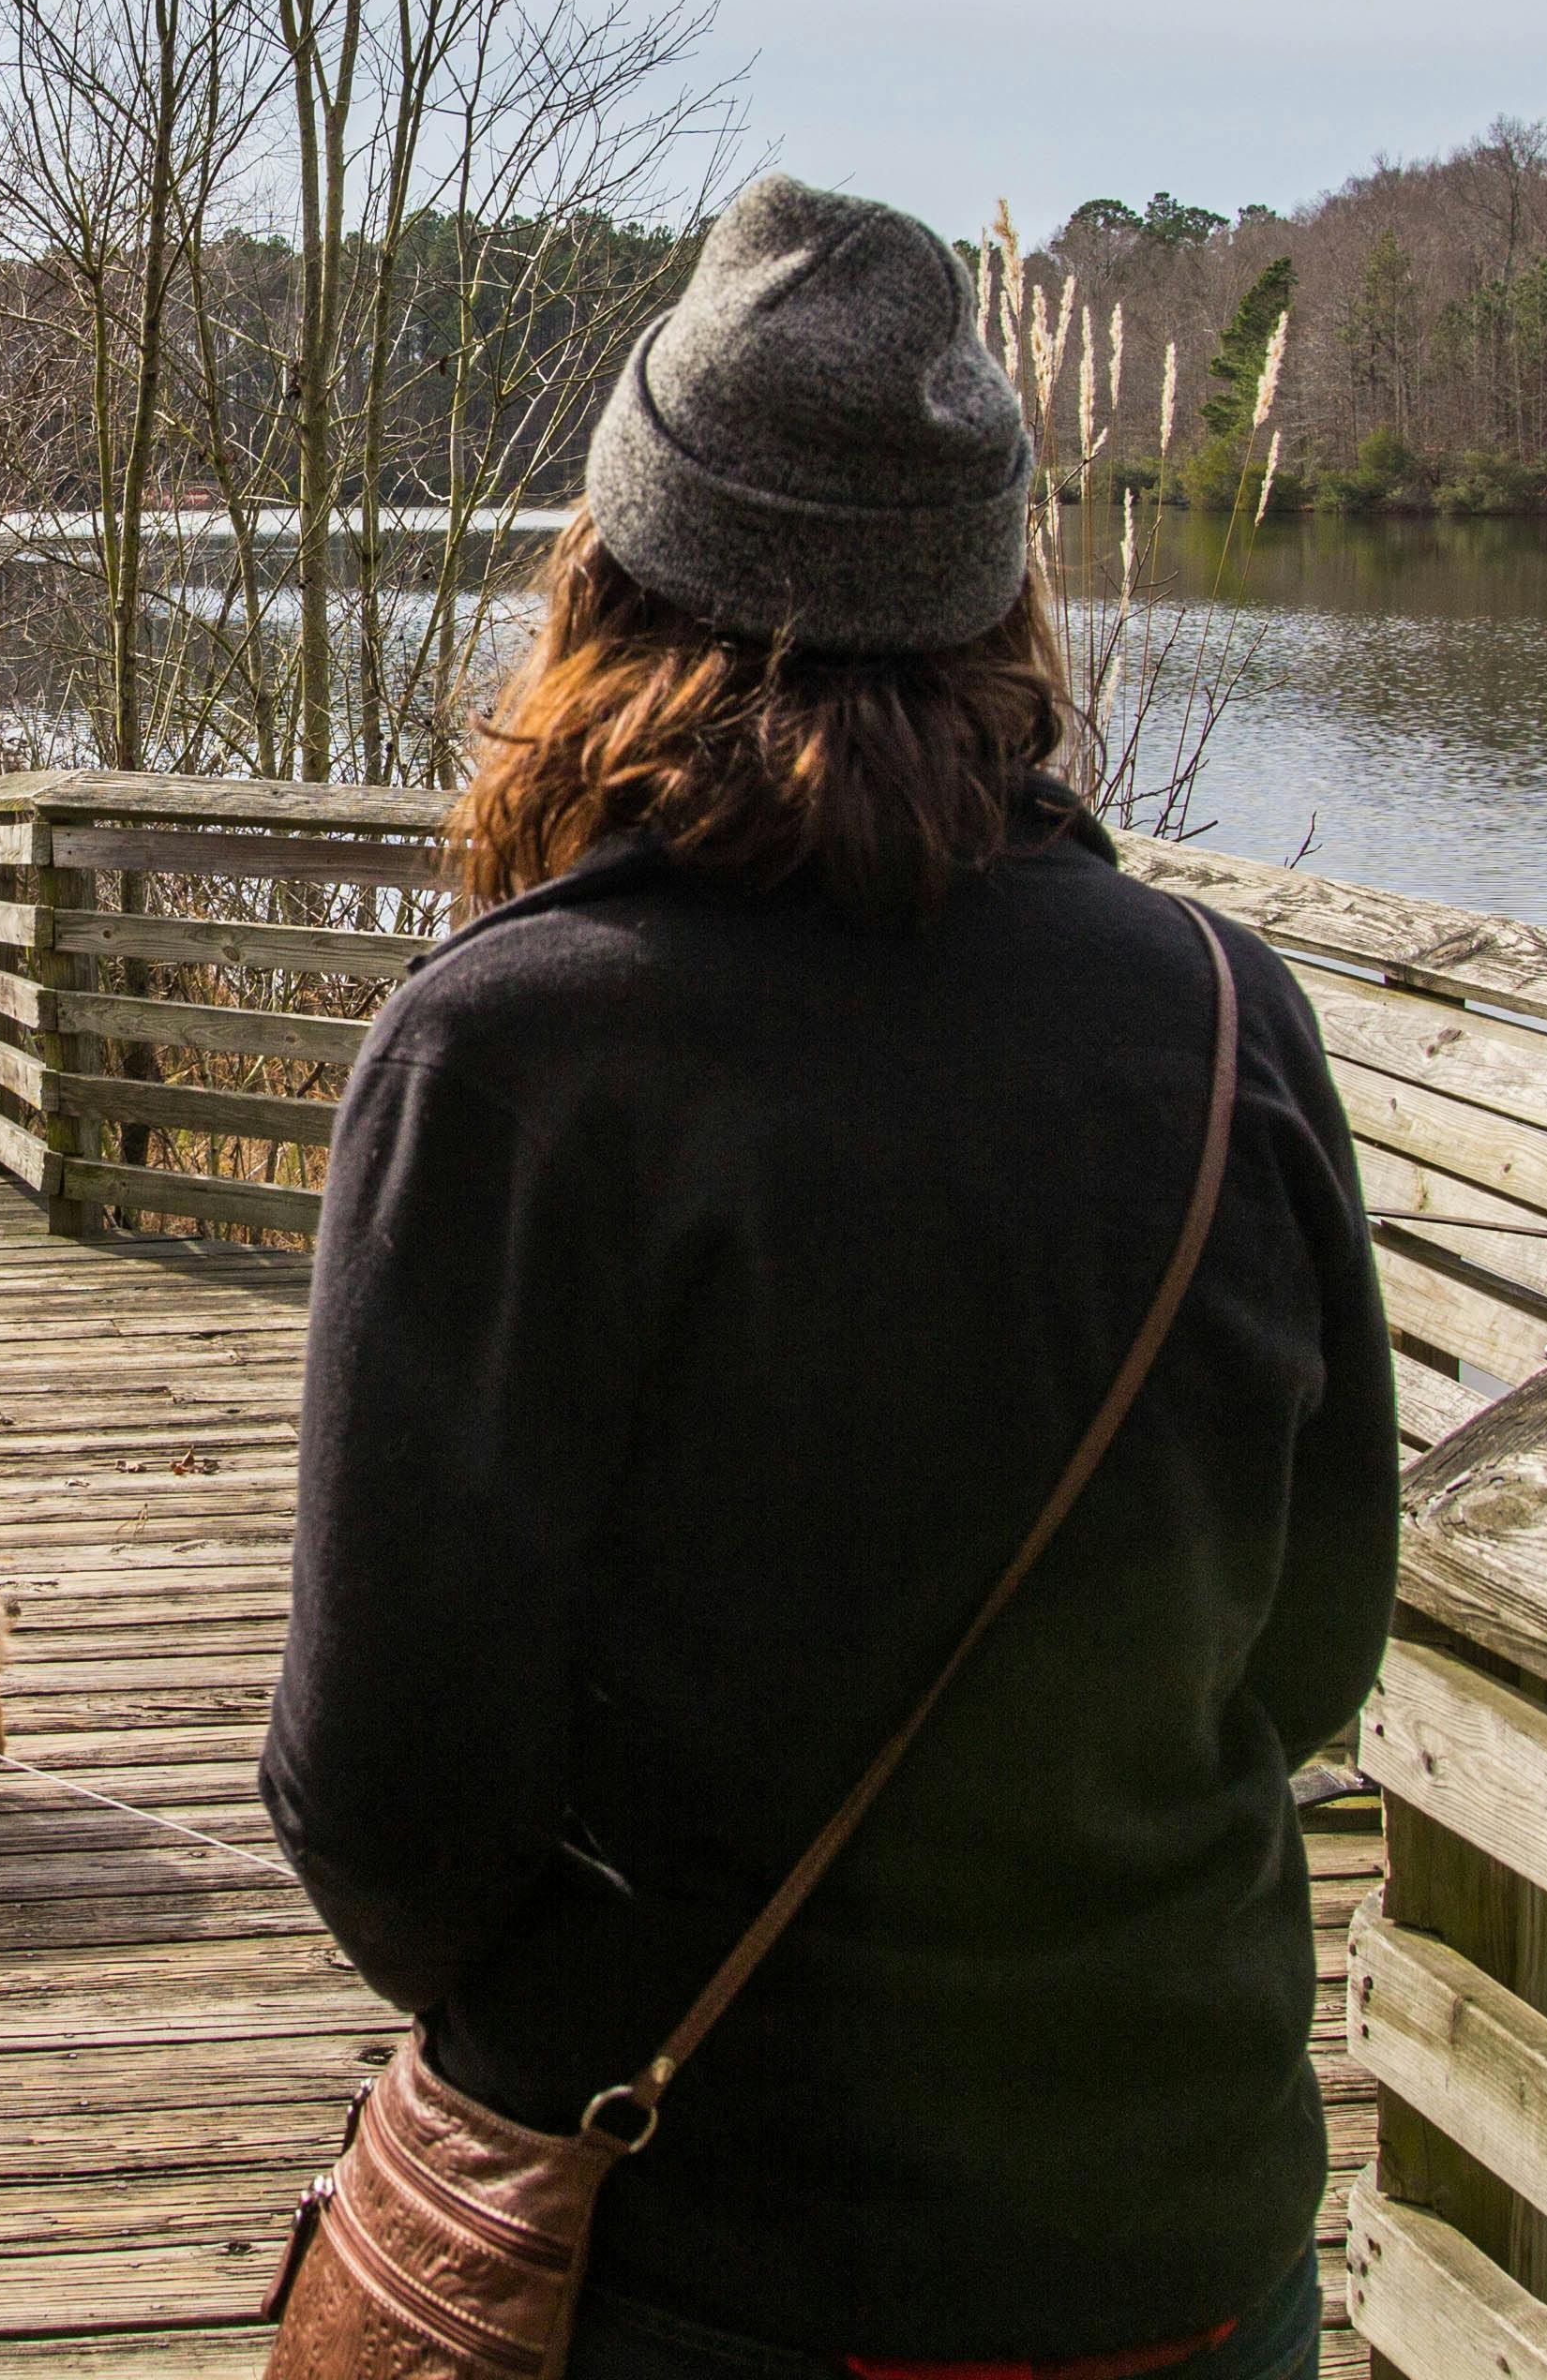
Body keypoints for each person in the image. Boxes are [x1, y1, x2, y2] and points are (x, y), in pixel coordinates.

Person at [261, 175, 1393, 2380]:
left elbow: (382, 1801)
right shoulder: (1221, 1017)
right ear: (999, 609)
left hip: (701, 2259)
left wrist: (589, 1997)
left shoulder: (515, 1056)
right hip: (1176, 2243)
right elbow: (1313, 1643)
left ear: (607, 577)